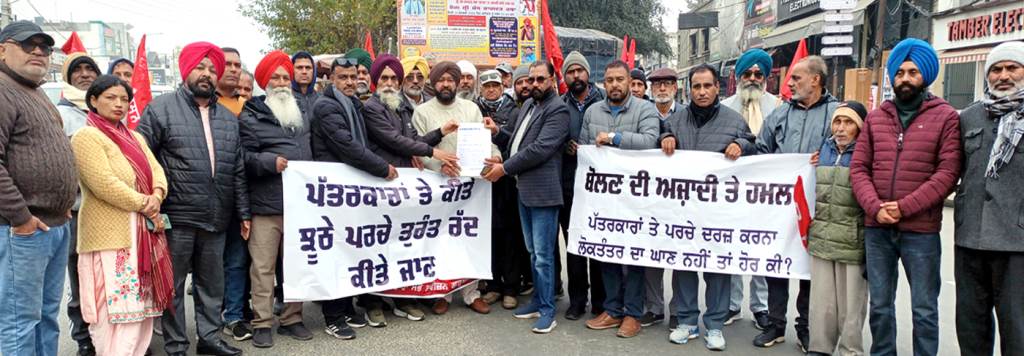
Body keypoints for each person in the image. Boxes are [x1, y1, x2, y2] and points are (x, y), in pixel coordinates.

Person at [850, 38, 961, 356]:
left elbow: (947, 174)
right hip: (878, 229)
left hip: (921, 232)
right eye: (899, 73)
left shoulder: (946, 117)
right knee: (881, 307)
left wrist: (903, 208)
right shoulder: (875, 118)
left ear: (925, 76)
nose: (905, 79)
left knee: (924, 310)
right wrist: (876, 208)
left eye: (912, 72)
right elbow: (859, 169)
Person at [137, 42, 249, 356]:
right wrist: (151, 206)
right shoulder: (161, 109)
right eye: (200, 67)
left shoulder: (227, 118)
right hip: (176, 217)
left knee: (212, 285)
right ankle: (176, 345)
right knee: (172, 287)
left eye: (213, 69)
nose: (207, 74)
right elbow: (142, 160)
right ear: (186, 70)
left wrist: (243, 213)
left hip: (217, 216)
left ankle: (210, 338)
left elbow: (237, 168)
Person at [70, 75, 173, 356]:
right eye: (111, 98)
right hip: (109, 238)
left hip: (141, 233)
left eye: (124, 99)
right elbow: (103, 183)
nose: (119, 104)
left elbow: (158, 171)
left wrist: (157, 195)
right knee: (111, 312)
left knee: (140, 309)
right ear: (93, 100)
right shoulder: (86, 137)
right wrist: (145, 202)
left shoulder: (135, 136)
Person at [658, 64, 755, 351]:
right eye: (696, 87)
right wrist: (665, 138)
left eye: (707, 86)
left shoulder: (734, 120)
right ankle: (687, 322)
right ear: (690, 89)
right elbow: (659, 140)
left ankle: (715, 325)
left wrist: (741, 144)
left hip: (718, 214)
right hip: (684, 211)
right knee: (684, 267)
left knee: (718, 270)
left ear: (717, 88)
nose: (701, 92)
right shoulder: (675, 121)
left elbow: (756, 146)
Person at [360, 54, 458, 326]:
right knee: (376, 247)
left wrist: (440, 131)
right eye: (385, 78)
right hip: (380, 185)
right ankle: (373, 303)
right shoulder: (371, 108)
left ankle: (403, 298)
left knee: (401, 245)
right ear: (376, 82)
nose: (390, 83)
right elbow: (393, 141)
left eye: (394, 78)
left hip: (405, 189)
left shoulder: (403, 109)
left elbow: (412, 140)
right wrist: (432, 150)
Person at [0, 21, 78, 356]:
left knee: (47, 316)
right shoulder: (2, 91)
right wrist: (21, 218)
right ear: (2, 49)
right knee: (19, 321)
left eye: (45, 47)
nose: (38, 51)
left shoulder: (34, 93)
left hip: (53, 225)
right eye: (28, 44)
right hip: (24, 230)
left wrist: (62, 203)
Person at [754, 55, 839, 351]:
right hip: (780, 208)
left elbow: (852, 150)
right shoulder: (779, 115)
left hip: (822, 206)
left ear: (816, 79)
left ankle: (806, 328)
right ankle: (775, 324)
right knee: (777, 265)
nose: (790, 84)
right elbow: (761, 150)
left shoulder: (837, 113)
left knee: (809, 270)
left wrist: (824, 157)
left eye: (796, 78)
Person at [311, 55, 397, 340]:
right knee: (336, 251)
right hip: (335, 193)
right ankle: (333, 316)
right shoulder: (326, 106)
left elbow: (377, 140)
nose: (350, 82)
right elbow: (346, 146)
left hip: (352, 192)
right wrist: (382, 168)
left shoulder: (352, 104)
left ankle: (346, 306)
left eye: (353, 76)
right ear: (331, 79)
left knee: (350, 249)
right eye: (343, 77)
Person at [482, 60, 570, 334]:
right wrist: (498, 132)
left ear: (552, 81)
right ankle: (536, 301)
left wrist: (504, 169)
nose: (534, 84)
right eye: (531, 80)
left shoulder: (558, 110)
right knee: (532, 252)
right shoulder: (529, 106)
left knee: (543, 256)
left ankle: (547, 310)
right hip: (524, 190)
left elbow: (540, 149)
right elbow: (517, 142)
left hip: (544, 193)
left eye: (540, 79)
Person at [238, 50, 316, 348]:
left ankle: (292, 318)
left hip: (299, 206)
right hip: (265, 207)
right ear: (265, 82)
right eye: (276, 78)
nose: (282, 83)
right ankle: (261, 322)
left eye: (286, 77)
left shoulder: (301, 113)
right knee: (263, 268)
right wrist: (269, 162)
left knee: (295, 266)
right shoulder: (251, 114)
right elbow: (243, 158)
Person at [954, 40, 1024, 356]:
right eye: (996, 69)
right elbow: (950, 170)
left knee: (1018, 330)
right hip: (970, 239)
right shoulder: (969, 117)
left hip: (1016, 243)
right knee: (970, 327)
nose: (1003, 76)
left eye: (1012, 67)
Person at [582, 60, 660, 338]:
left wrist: (614, 138)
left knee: (634, 258)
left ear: (630, 82)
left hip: (637, 199)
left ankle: (633, 314)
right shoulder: (592, 112)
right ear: (604, 83)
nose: (614, 85)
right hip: (605, 198)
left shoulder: (646, 109)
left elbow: (651, 141)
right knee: (608, 255)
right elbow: (584, 149)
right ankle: (613, 310)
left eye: (620, 79)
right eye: (609, 80)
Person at [411, 61, 496, 315]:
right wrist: (439, 165)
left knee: (469, 239)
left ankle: (471, 293)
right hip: (437, 187)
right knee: (440, 241)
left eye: (450, 80)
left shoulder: (471, 109)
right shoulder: (422, 112)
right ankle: (443, 294)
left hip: (470, 187)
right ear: (433, 83)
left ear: (457, 83)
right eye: (441, 80)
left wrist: (496, 156)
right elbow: (417, 150)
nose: (446, 84)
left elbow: (485, 141)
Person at [806, 101, 869, 356]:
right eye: (837, 122)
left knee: (851, 305)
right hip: (822, 237)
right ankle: (820, 347)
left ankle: (850, 350)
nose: (841, 129)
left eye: (849, 123)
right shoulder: (824, 151)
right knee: (821, 302)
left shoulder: (867, 154)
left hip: (852, 240)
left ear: (860, 127)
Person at [721, 49, 775, 331]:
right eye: (747, 74)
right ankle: (732, 304)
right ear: (738, 76)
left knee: (760, 250)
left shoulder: (778, 107)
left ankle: (761, 307)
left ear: (765, 77)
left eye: (758, 74)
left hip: (765, 193)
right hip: (731, 189)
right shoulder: (725, 107)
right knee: (731, 246)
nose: (753, 78)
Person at [56, 50, 102, 356]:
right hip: (76, 211)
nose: (85, 74)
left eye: (90, 69)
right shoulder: (60, 114)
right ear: (68, 76)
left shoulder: (107, 110)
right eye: (78, 70)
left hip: (109, 211)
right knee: (81, 278)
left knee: (108, 278)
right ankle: (84, 339)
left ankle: (109, 337)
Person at [559, 51, 606, 321]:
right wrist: (565, 146)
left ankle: (600, 301)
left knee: (597, 245)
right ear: (565, 77)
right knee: (574, 245)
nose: (576, 76)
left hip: (599, 188)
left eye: (580, 71)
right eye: (570, 72)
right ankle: (577, 300)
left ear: (588, 74)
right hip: (569, 185)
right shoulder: (559, 104)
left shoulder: (603, 100)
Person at [216, 47, 245, 116]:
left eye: (237, 65)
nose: (233, 69)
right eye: (227, 64)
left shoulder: (247, 106)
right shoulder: (202, 101)